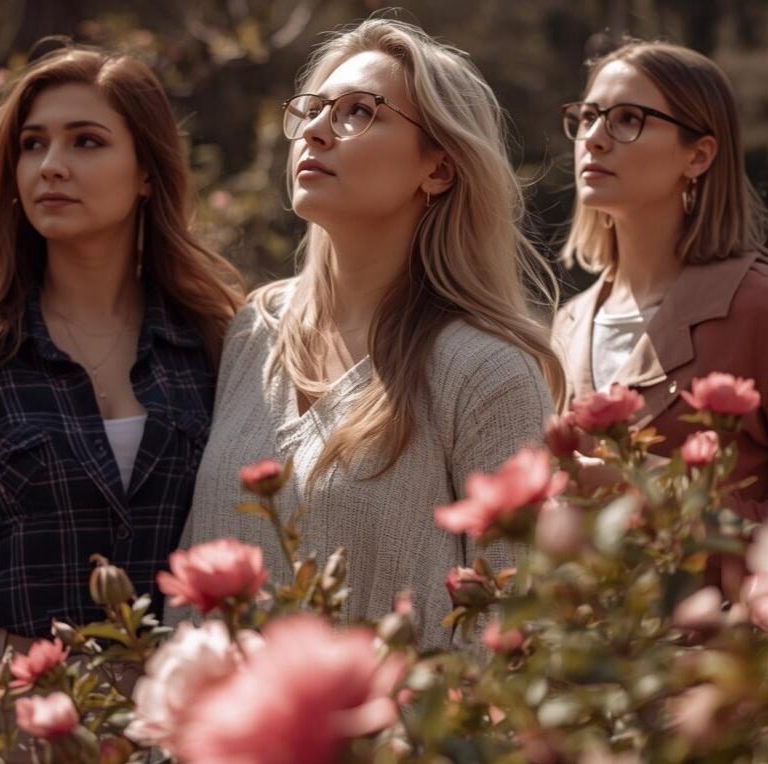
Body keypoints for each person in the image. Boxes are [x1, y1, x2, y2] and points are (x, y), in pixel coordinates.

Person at [0, 42, 244, 744]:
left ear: (147, 173)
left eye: (86, 142)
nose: (51, 165)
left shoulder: (211, 338)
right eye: (32, 144)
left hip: (155, 714)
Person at [168, 18, 565, 647]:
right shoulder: (255, 329)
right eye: (313, 109)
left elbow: (520, 621)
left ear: (438, 169)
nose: (317, 131)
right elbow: (194, 574)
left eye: (359, 112)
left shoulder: (486, 372)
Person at [552, 40, 768, 523]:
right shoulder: (567, 324)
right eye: (588, 117)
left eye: (628, 119)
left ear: (699, 155)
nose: (594, 138)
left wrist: (659, 495)